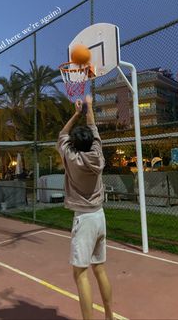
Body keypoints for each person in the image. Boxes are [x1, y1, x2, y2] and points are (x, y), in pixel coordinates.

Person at [57, 94, 114, 320]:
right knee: (99, 269)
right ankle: (110, 316)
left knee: (80, 274)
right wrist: (89, 106)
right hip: (100, 217)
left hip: (84, 220)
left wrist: (76, 112)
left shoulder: (70, 156)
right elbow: (93, 126)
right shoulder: (97, 154)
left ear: (74, 144)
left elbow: (62, 135)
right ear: (91, 142)